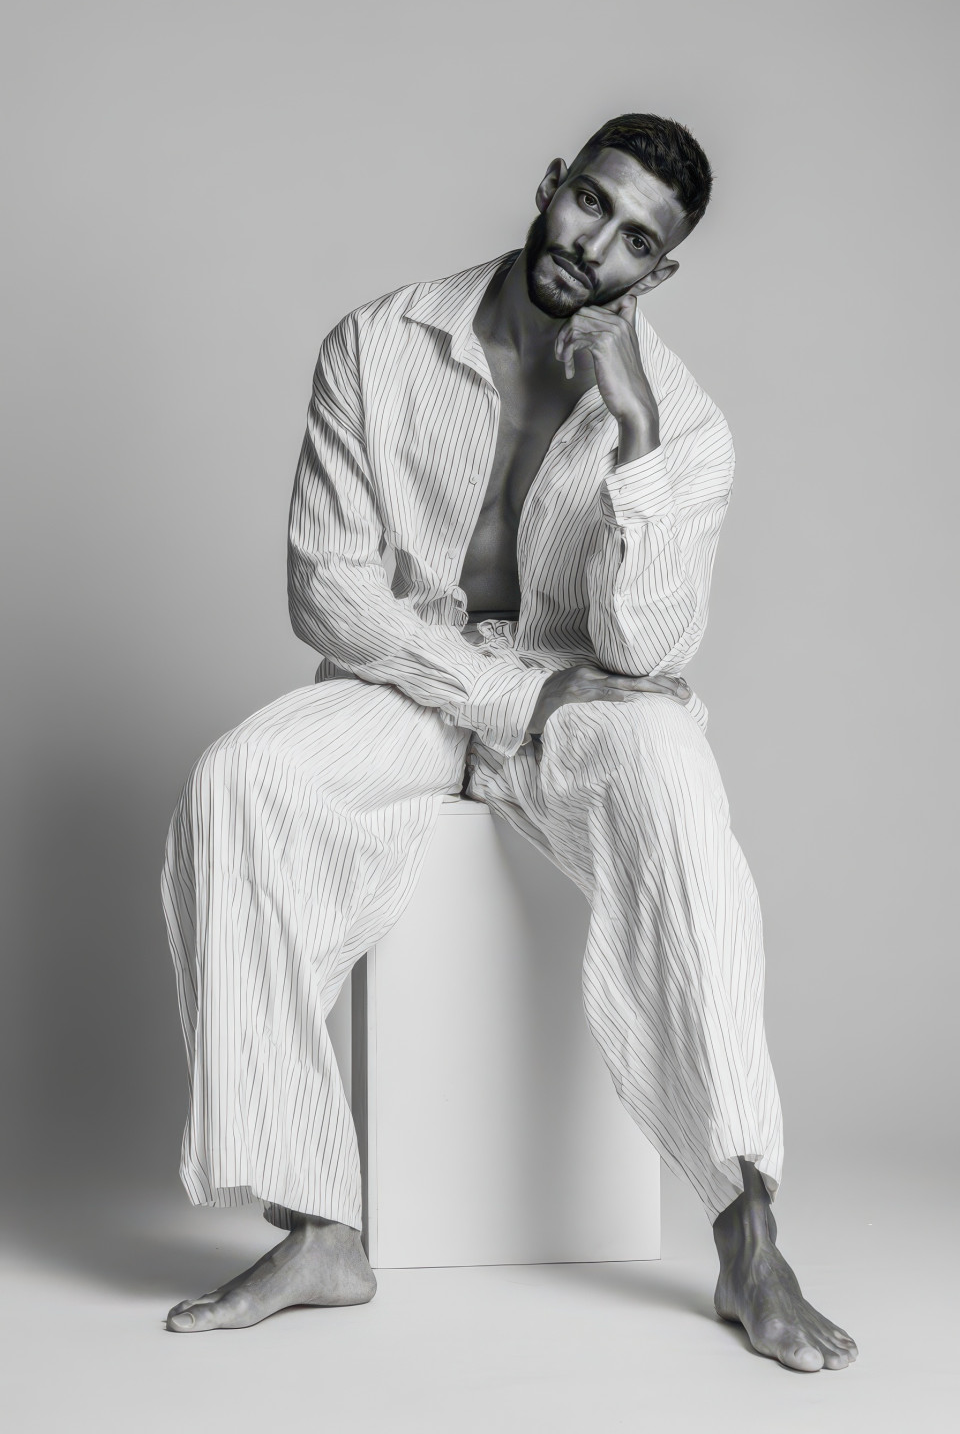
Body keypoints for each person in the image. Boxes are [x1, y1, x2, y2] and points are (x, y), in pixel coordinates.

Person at [162, 113, 857, 1372]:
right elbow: (329, 591)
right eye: (591, 202)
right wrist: (502, 697)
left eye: (635, 239)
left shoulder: (684, 426)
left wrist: (634, 436)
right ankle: (318, 1228)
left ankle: (750, 1241)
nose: (596, 244)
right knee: (243, 779)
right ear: (551, 186)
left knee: (674, 776)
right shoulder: (378, 343)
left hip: (579, 698)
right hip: (410, 675)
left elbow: (646, 651)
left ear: (659, 272)